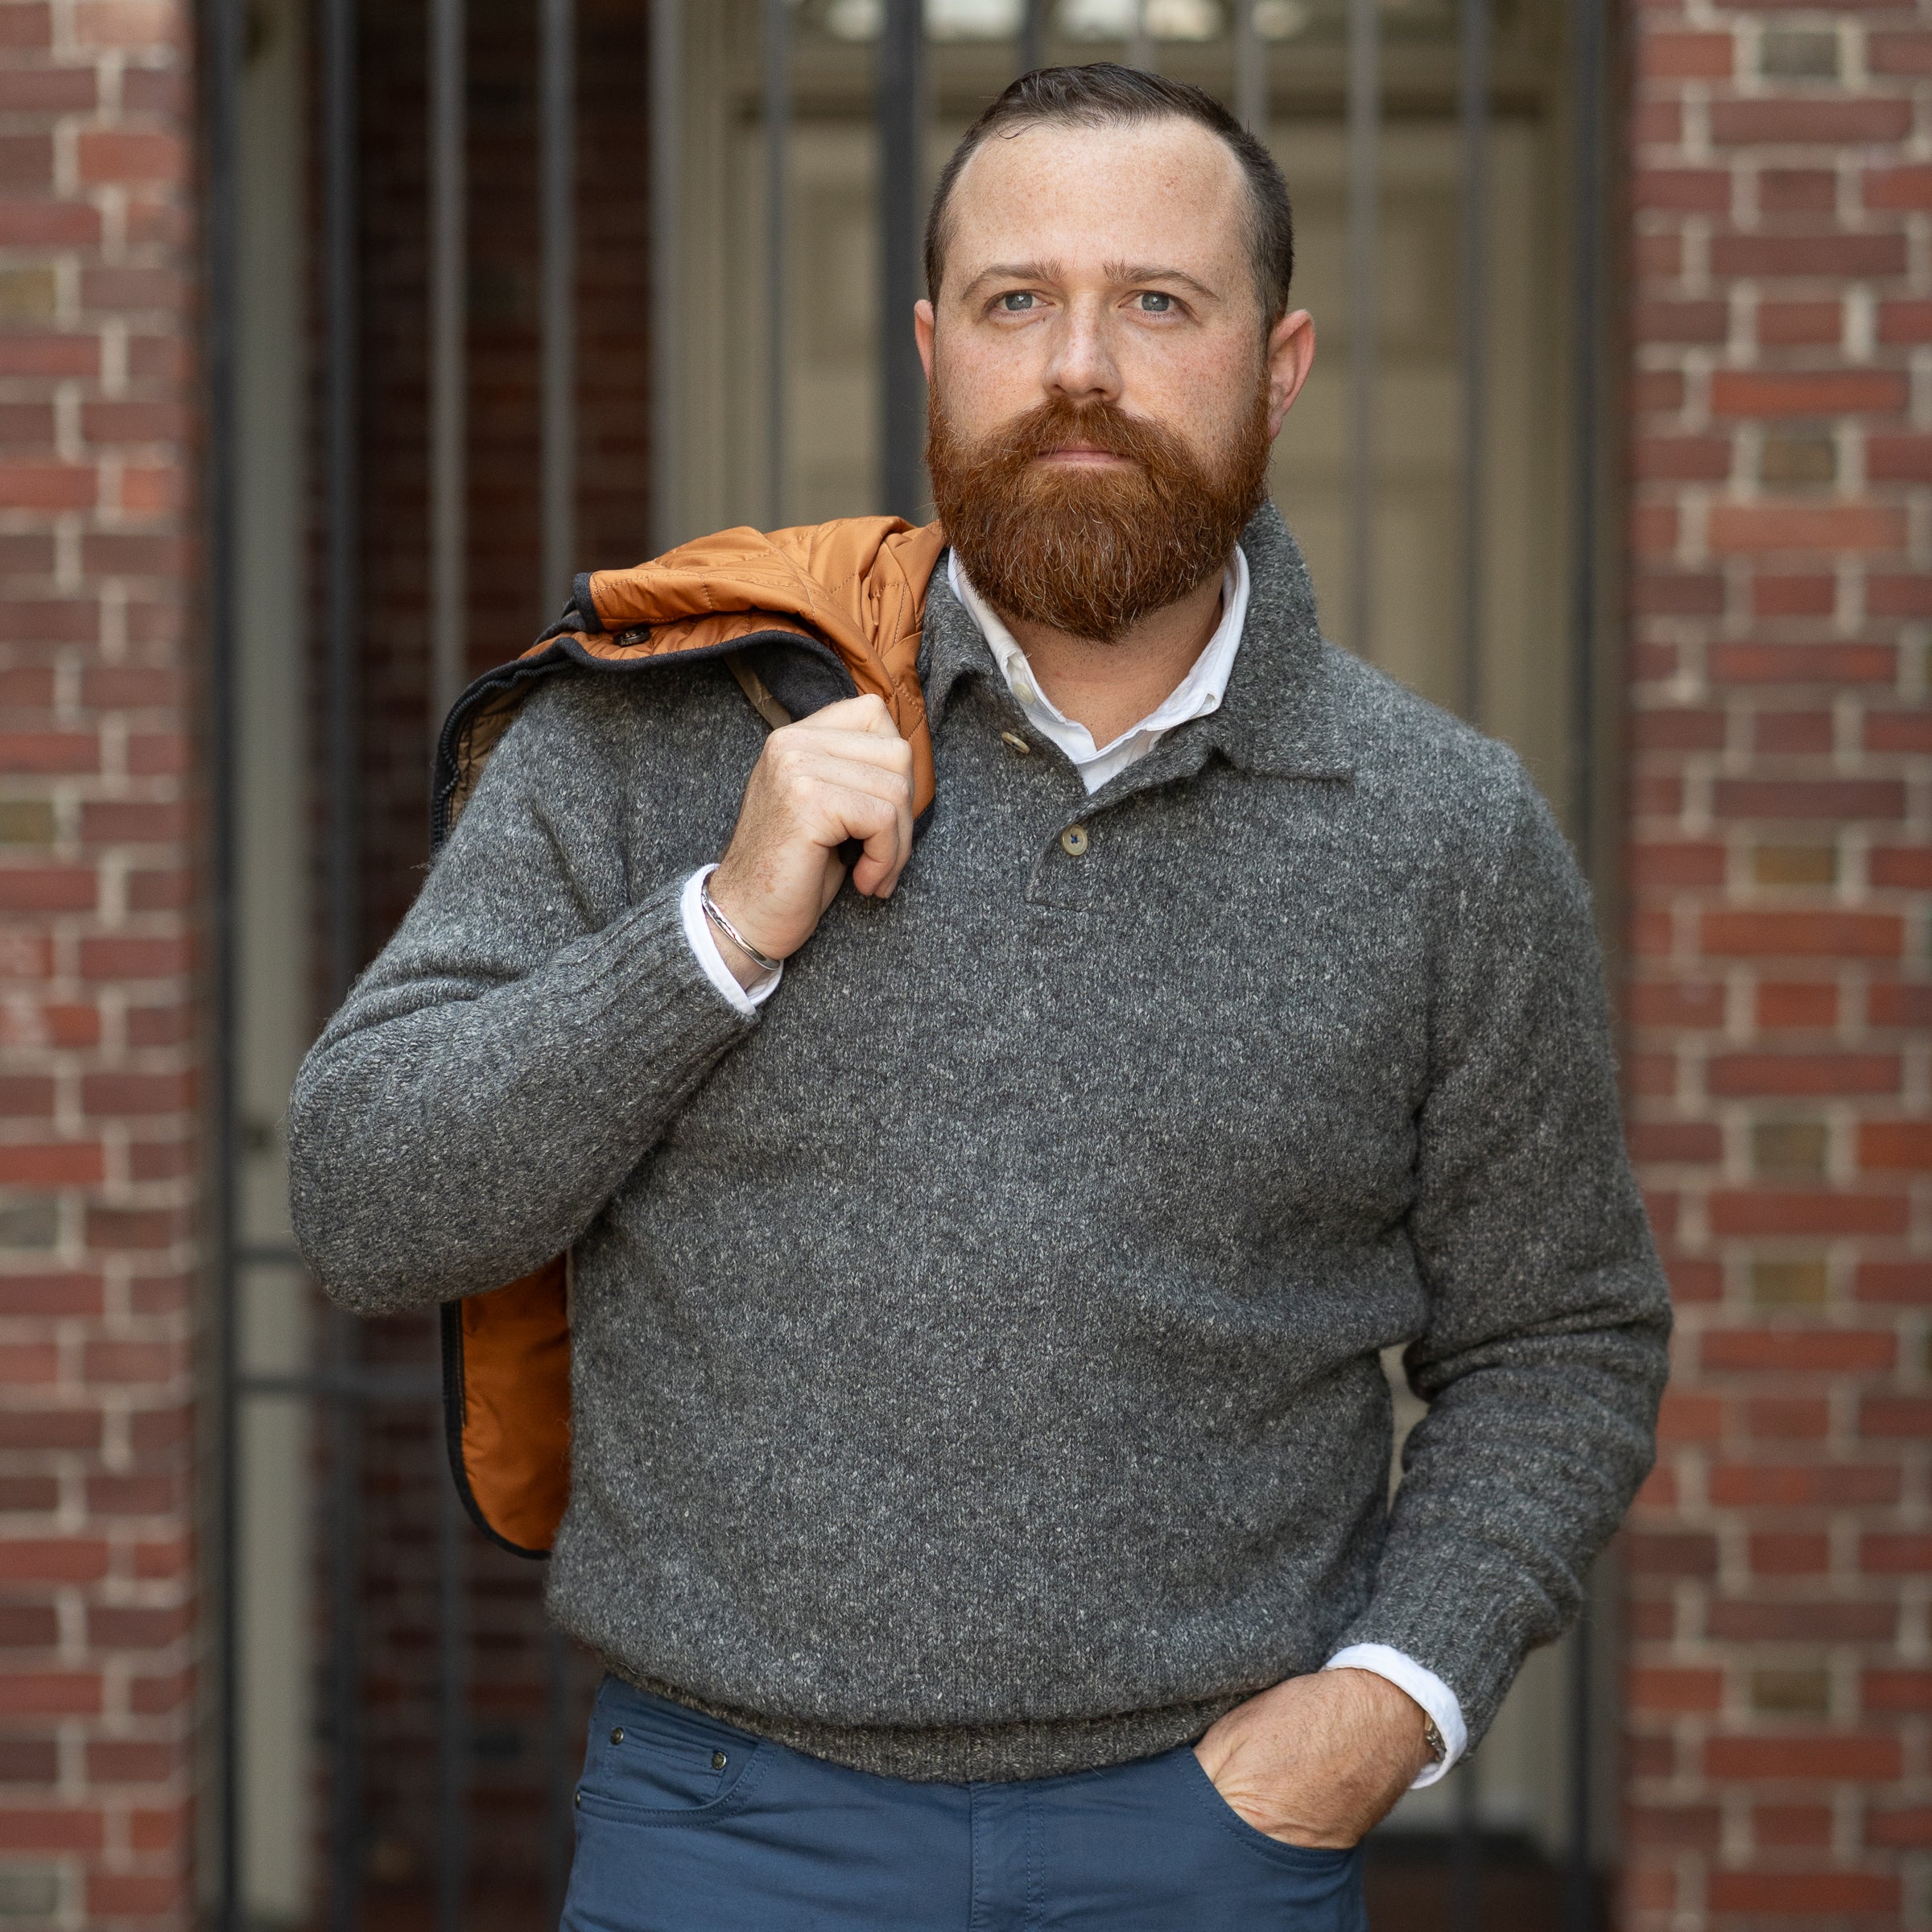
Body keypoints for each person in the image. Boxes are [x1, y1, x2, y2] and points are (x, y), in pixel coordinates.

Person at [290, 63, 1670, 1932]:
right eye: (1020, 302)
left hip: (1211, 1842)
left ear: (1280, 367)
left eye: (1157, 302)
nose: (1079, 368)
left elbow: (1562, 1336)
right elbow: (364, 1202)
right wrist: (713, 934)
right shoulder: (655, 738)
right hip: (729, 1833)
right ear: (936, 351)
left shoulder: (1445, 835)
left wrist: (1387, 1705)